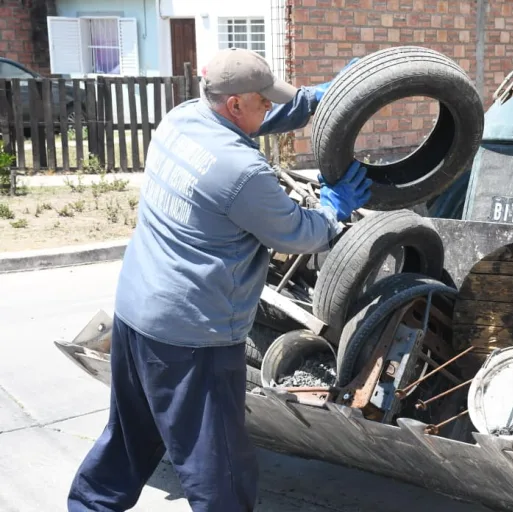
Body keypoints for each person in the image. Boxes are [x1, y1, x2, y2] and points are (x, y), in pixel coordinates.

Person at [66, 48, 371, 512]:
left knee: (131, 435)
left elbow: (257, 121)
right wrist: (334, 207)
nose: (270, 108)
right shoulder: (242, 173)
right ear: (233, 105)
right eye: (263, 101)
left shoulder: (182, 118)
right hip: (192, 337)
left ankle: (90, 505)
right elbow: (300, 231)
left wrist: (318, 101)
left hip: (136, 313)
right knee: (216, 464)